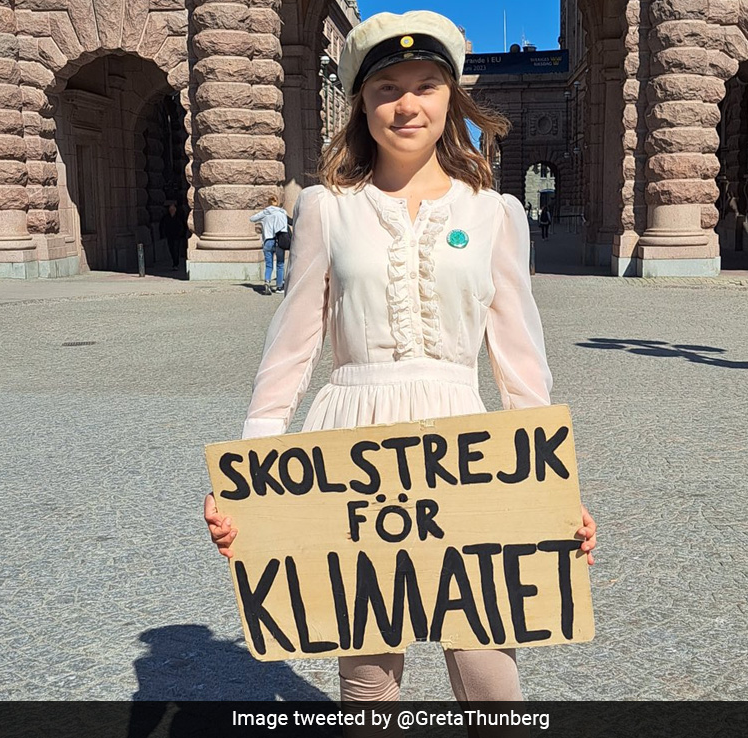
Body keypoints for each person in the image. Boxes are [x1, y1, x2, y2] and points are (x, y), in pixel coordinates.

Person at [204, 10, 597, 704]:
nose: (407, 104)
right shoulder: (328, 208)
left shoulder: (494, 214)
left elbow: (521, 361)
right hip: (350, 440)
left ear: (453, 100)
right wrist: (250, 475)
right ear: (362, 102)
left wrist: (552, 493)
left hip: (465, 445)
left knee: (487, 664)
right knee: (368, 675)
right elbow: (291, 351)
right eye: (387, 87)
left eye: (426, 85)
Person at [249, 196, 290, 295]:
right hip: (279, 240)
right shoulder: (282, 213)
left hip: (268, 241)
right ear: (278, 202)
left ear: (268, 202)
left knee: (269, 265)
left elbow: (252, 219)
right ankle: (279, 287)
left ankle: (267, 281)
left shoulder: (265, 213)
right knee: (280, 264)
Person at [159, 202, 188, 270]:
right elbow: (163, 226)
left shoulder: (179, 217)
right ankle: (174, 261)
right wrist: (163, 234)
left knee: (176, 249)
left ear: (175, 209)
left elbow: (182, 226)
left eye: (173, 208)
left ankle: (176, 263)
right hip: (169, 235)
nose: (172, 210)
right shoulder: (166, 217)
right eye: (170, 208)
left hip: (177, 236)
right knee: (171, 249)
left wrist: (182, 234)